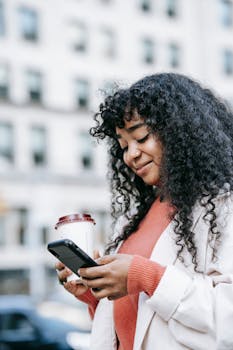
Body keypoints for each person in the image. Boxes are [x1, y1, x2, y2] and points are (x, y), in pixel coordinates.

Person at [56, 73, 233, 350]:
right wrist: (96, 295)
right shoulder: (134, 219)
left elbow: (226, 321)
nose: (131, 155)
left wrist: (144, 276)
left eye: (141, 137)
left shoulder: (222, 208)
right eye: (124, 145)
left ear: (178, 131)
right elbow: (135, 324)